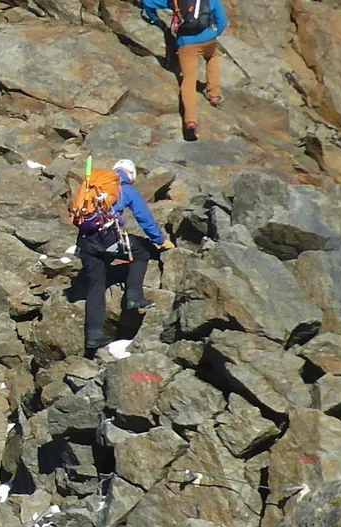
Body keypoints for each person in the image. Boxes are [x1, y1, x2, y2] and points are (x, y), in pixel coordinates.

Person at [76, 159, 173, 356]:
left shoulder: (92, 186)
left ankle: (94, 335)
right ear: (130, 175)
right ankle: (134, 296)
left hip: (86, 241)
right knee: (142, 251)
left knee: (95, 286)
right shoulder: (125, 189)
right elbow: (143, 217)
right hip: (108, 240)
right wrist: (159, 240)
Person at [142, 0, 229, 139]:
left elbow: (147, 3)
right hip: (208, 39)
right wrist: (214, 32)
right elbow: (222, 21)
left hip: (186, 43)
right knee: (212, 58)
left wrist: (155, 20)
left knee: (188, 80)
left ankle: (190, 122)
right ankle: (214, 95)